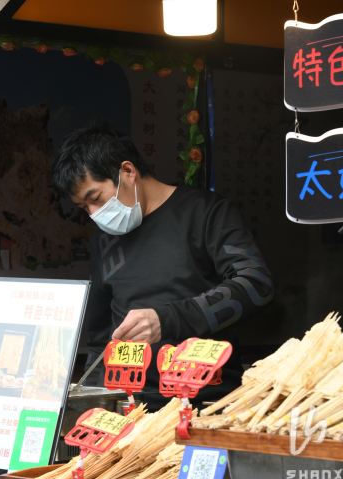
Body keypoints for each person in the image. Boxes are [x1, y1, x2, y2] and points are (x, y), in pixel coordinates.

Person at [52, 125, 274, 407]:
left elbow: (256, 283)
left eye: (95, 198)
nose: (94, 214)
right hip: (131, 408)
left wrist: (167, 320)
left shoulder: (206, 213)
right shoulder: (104, 241)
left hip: (207, 403)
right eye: (84, 208)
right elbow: (99, 337)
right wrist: (98, 402)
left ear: (128, 173)